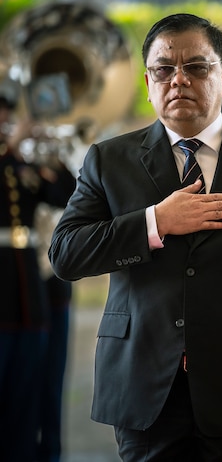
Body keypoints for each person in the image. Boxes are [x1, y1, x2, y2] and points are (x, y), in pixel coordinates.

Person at [48, 13, 222, 461]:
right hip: (144, 389)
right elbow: (66, 255)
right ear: (148, 82)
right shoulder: (109, 160)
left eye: (196, 67)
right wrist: (155, 222)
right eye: (164, 69)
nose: (178, 79)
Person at [0, 83, 76, 461]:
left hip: (26, 286)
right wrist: (12, 145)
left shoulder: (20, 164)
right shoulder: (8, 157)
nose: (4, 118)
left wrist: (52, 153)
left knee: (26, 390)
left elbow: (65, 195)